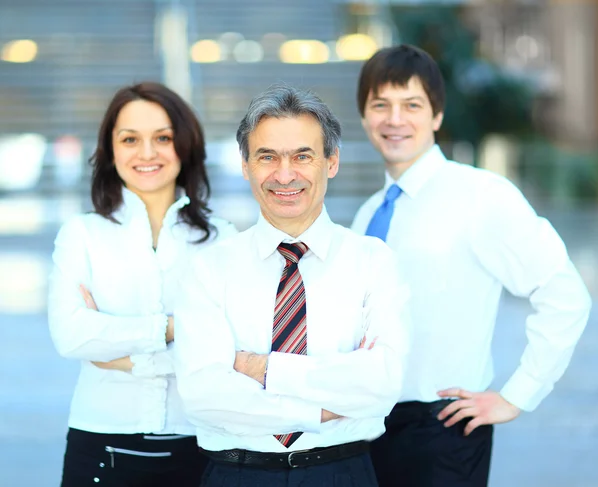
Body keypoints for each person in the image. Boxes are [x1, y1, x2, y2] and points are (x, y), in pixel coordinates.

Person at [351, 44, 592, 487]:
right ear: (365, 116)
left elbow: (564, 294)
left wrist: (517, 395)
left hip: (441, 432)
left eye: (412, 105)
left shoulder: (480, 195)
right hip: (365, 429)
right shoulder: (368, 213)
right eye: (380, 105)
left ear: (437, 116)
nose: (395, 119)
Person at [173, 85, 411, 487]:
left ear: (331, 162)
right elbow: (203, 396)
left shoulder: (374, 262)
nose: (285, 175)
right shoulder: (207, 269)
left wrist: (263, 369)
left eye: (303, 156)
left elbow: (382, 382)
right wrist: (321, 410)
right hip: (236, 476)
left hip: (343, 474)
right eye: (267, 157)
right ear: (246, 165)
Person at [48, 81, 237, 487]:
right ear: (110, 148)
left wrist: (120, 353)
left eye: (163, 138)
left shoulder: (224, 240)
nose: (147, 153)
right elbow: (71, 336)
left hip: (202, 444)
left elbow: (233, 353)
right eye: (130, 138)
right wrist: (174, 328)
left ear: (184, 146)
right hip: (101, 445)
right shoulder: (81, 235)